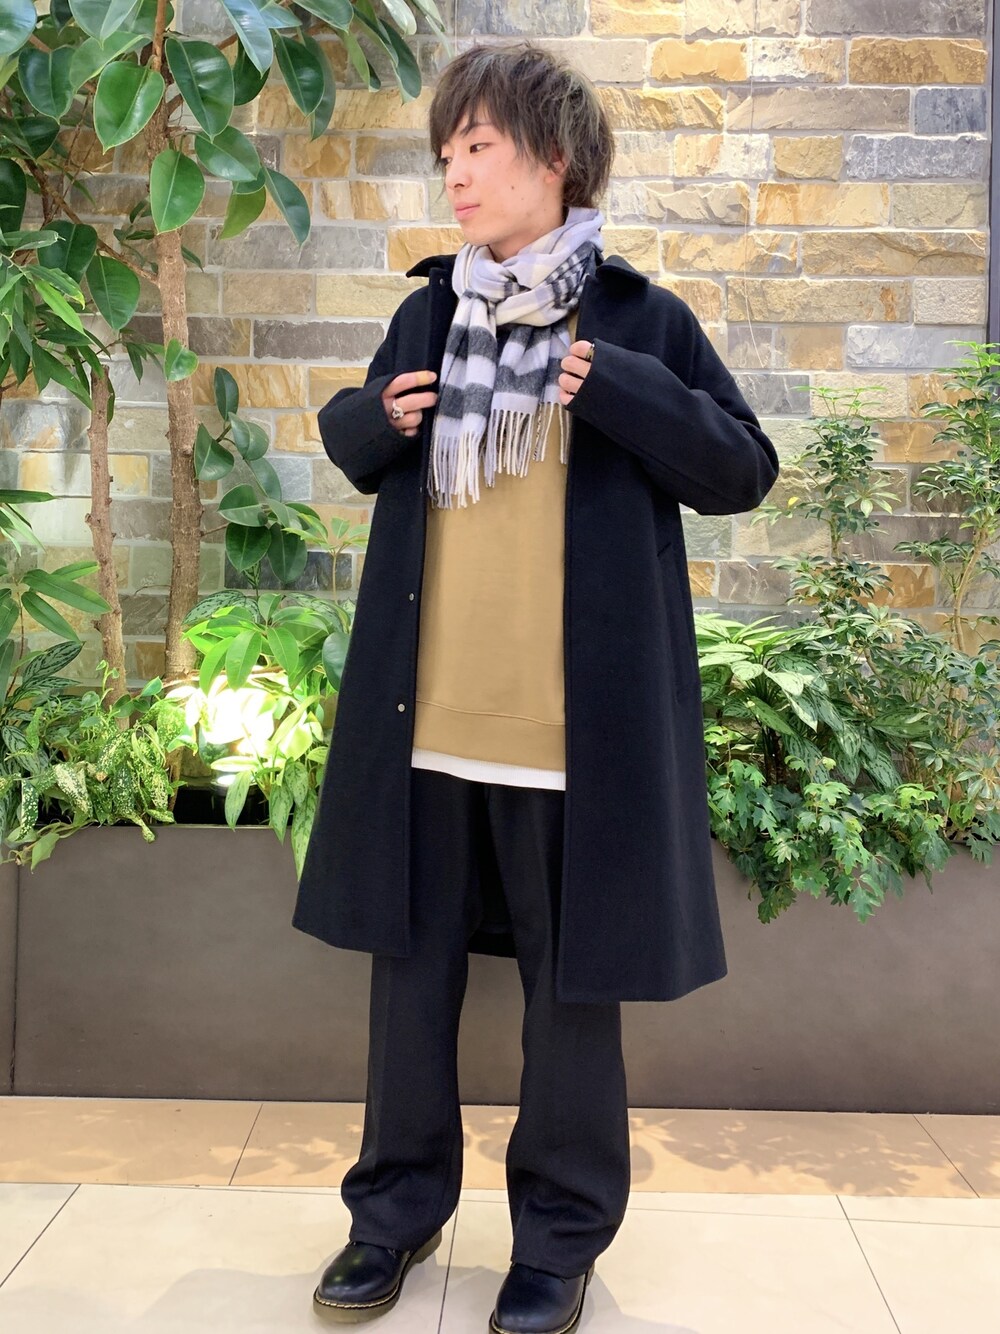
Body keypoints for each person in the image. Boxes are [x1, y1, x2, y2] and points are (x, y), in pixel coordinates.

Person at [295, 40, 780, 1333]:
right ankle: (391, 1215)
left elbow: (741, 468)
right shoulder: (430, 312)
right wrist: (372, 422)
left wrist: (617, 387)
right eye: (446, 151)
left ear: (553, 158)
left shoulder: (638, 319)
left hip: (574, 733)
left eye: (479, 146)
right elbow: (355, 438)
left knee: (573, 995)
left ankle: (558, 1241)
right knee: (409, 987)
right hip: (427, 719)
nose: (455, 173)